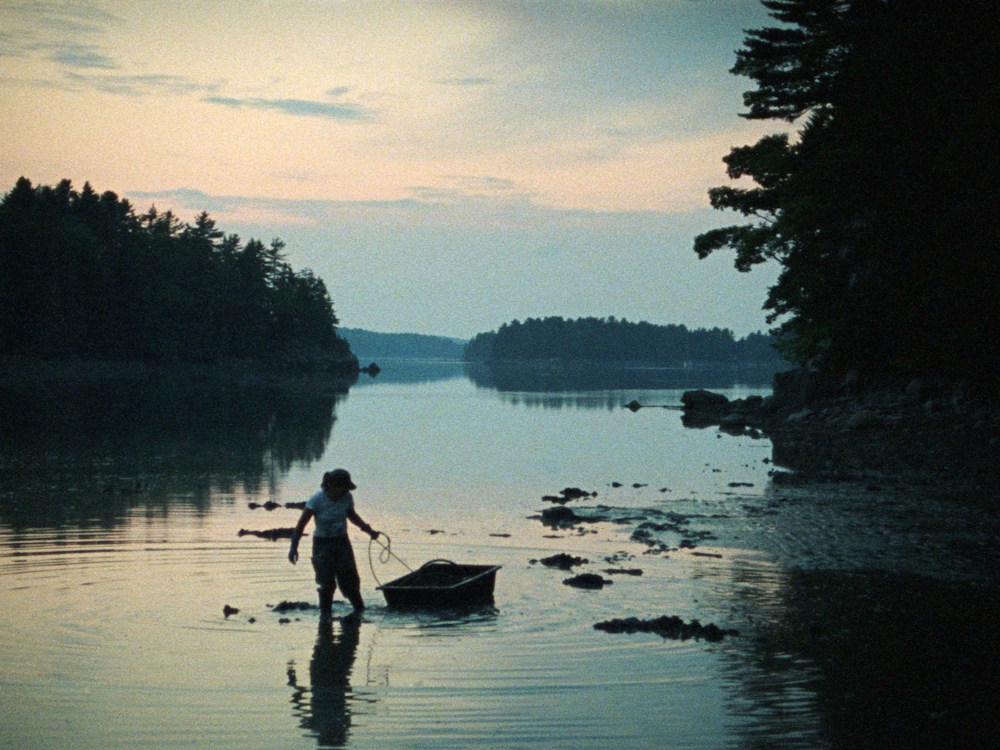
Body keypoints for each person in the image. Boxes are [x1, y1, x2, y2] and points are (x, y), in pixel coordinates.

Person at [289, 469, 380, 617]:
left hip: (341, 542)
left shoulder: (347, 497)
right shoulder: (316, 500)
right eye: (343, 487)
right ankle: (325, 616)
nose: (345, 491)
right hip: (322, 544)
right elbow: (301, 525)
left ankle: (359, 611)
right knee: (326, 583)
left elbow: (352, 515)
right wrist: (293, 548)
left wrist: (369, 531)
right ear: (332, 486)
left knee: (350, 581)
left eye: (346, 488)